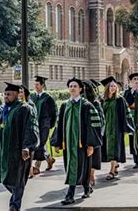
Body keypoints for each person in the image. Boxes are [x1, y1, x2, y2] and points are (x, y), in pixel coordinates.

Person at [0, 82, 39, 211]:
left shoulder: (25, 109)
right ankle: (16, 195)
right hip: (3, 150)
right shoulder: (1, 109)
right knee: (3, 178)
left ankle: (14, 205)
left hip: (19, 151)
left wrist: (27, 147)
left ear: (17, 95)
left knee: (18, 178)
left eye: (9, 94)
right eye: (5, 94)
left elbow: (30, 128)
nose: (6, 96)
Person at [51, 77, 102, 205]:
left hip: (82, 143)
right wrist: (57, 142)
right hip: (68, 144)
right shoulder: (64, 105)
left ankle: (76, 192)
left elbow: (94, 125)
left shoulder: (86, 106)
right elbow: (60, 124)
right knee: (72, 168)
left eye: (75, 86)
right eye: (71, 86)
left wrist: (91, 144)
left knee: (83, 167)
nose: (73, 88)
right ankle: (80, 190)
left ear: (80, 89)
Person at [100, 76, 134, 180]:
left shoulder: (120, 100)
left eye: (115, 86)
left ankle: (111, 171)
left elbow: (126, 114)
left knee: (114, 149)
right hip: (105, 129)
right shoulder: (103, 100)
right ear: (107, 87)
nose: (113, 88)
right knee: (107, 149)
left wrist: (127, 127)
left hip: (117, 129)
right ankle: (115, 166)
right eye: (111, 86)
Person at [30, 76, 58, 175]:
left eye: (38, 84)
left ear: (42, 85)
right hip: (35, 123)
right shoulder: (32, 97)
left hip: (44, 124)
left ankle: (37, 166)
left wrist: (51, 124)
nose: (36, 86)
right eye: (35, 84)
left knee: (41, 143)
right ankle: (49, 159)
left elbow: (53, 112)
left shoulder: (48, 98)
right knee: (38, 143)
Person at [82, 80, 105, 186]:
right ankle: (86, 176)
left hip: (94, 134)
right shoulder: (78, 103)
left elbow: (101, 120)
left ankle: (91, 176)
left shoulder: (95, 103)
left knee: (93, 156)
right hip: (81, 134)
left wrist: (99, 134)